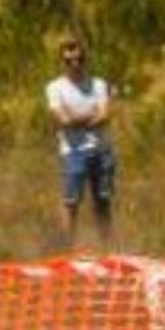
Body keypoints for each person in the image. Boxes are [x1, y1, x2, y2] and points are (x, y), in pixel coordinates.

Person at [44, 35, 117, 246]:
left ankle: (108, 249)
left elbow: (104, 115)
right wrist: (90, 117)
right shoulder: (54, 88)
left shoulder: (98, 84)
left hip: (102, 149)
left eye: (79, 59)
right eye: (69, 61)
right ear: (62, 62)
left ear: (85, 59)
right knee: (71, 202)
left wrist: (76, 119)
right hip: (73, 151)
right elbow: (62, 119)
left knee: (103, 201)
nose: (75, 64)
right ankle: (67, 249)